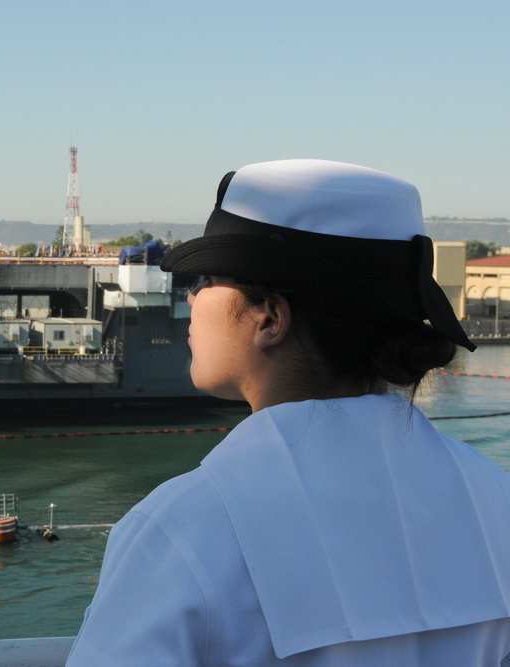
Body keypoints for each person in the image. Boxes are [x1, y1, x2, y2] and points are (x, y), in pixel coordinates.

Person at [67, 159, 510, 665]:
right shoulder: (496, 501)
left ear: (270, 317)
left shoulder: (181, 530)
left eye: (208, 278)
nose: (191, 297)